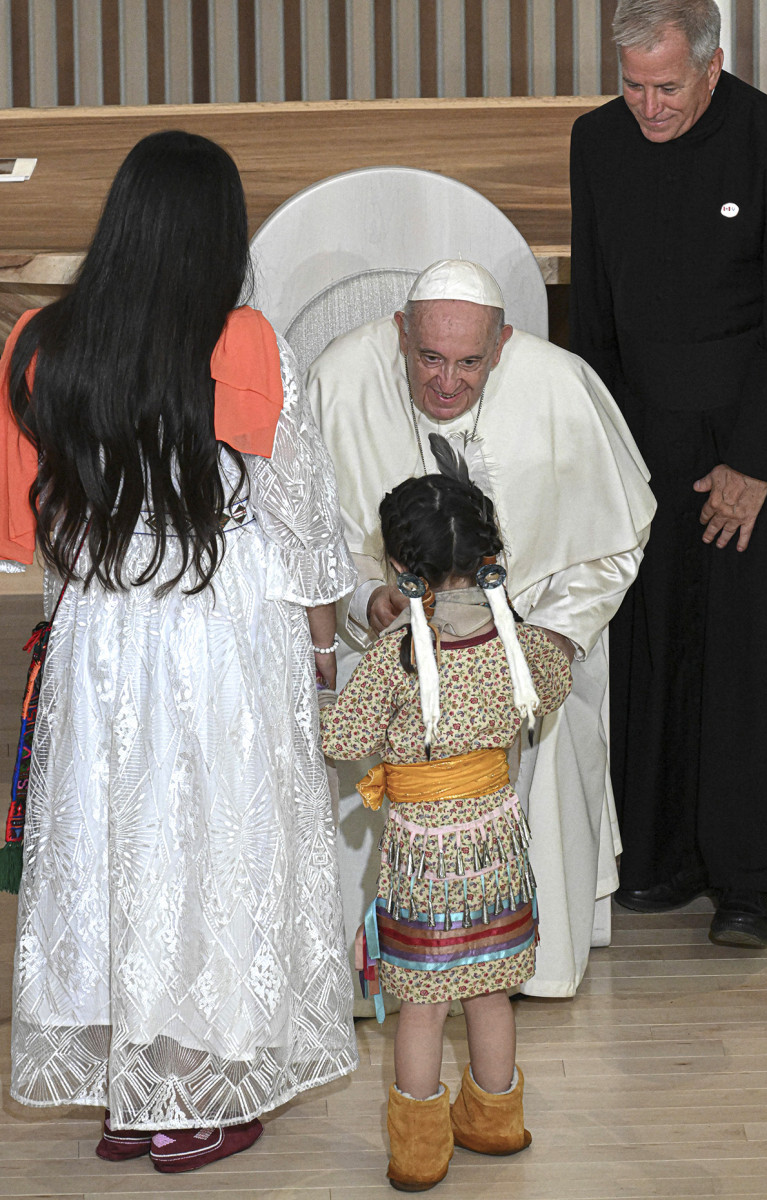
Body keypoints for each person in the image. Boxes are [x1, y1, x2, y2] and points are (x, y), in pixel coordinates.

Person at [0, 131, 357, 1172]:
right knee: (215, 855)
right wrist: (324, 654)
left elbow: (30, 527)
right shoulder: (245, 342)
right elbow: (302, 526)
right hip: (225, 631)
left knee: (117, 848)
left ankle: (127, 1095)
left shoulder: (37, 344)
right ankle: (191, 1097)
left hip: (106, 629)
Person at [307, 258, 656, 1001]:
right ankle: (362, 969)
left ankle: (535, 964)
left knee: (552, 742)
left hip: (527, 650)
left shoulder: (559, 385)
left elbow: (615, 539)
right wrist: (366, 596)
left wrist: (554, 639)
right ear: (401, 334)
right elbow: (317, 537)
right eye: (430, 358)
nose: (447, 383)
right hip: (391, 657)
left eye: (469, 363)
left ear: (502, 347)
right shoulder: (341, 382)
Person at [569, 0, 767, 948]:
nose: (648, 106)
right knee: (652, 640)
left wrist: (754, 463)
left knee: (745, 657)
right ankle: (658, 857)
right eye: (633, 84)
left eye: (667, 86)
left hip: (751, 434)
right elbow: (593, 299)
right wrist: (597, 444)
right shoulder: (597, 141)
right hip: (642, 434)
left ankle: (748, 880)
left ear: (712, 67)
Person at [319, 467, 573, 1191]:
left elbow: (343, 741)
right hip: (495, 843)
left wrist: (317, 702)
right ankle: (496, 1122)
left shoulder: (396, 660)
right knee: (489, 992)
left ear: (401, 570)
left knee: (423, 1008)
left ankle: (419, 1150)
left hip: (423, 860)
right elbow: (551, 683)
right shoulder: (514, 643)